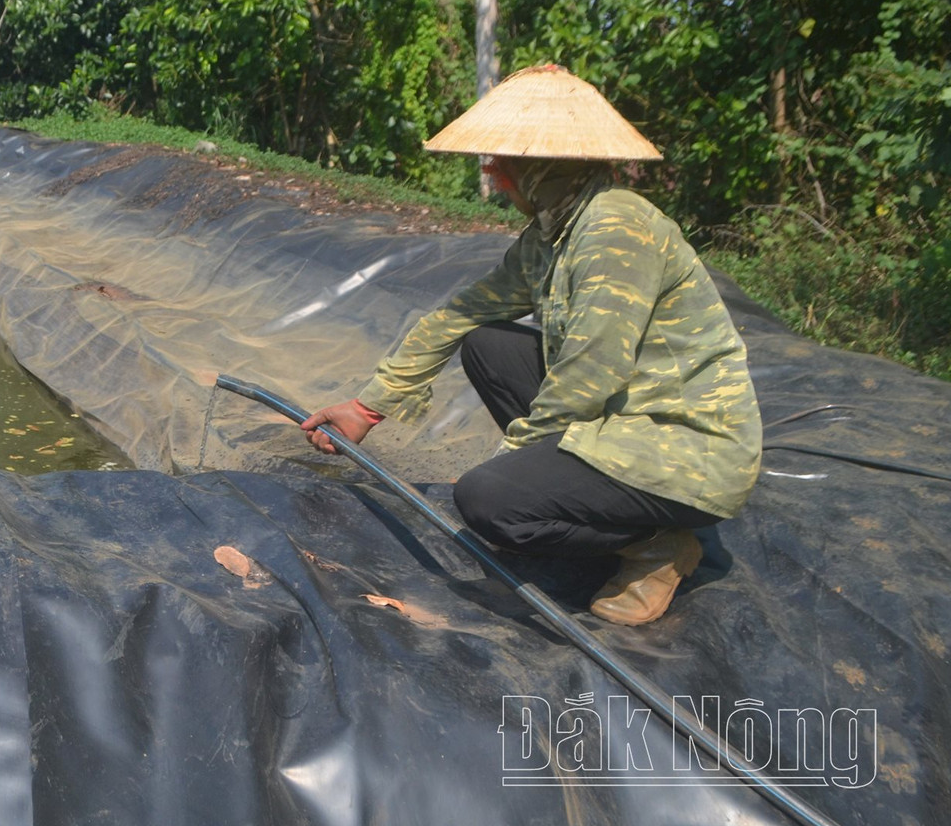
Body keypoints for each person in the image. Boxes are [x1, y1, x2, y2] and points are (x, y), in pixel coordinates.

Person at [301, 64, 762, 625]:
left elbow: (590, 373)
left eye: (503, 166)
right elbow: (463, 313)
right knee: (487, 343)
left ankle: (656, 547)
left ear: (541, 168)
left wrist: (512, 464)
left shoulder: (616, 231)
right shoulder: (553, 234)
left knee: (487, 502)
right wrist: (368, 406)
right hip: (622, 414)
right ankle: (576, 497)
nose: (495, 180)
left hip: (680, 444)